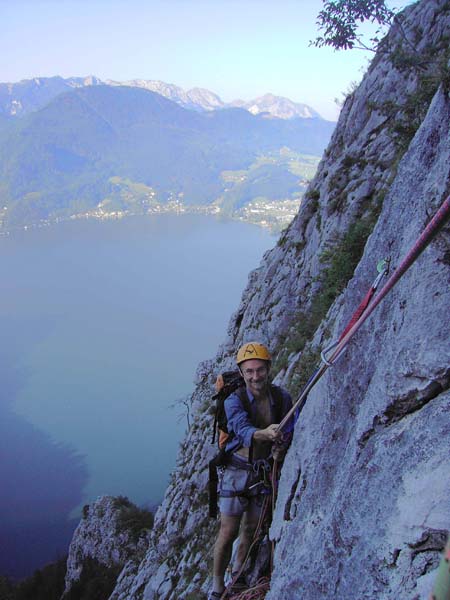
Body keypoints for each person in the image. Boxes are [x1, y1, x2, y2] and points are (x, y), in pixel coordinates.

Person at [209, 342, 295, 600]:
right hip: (237, 470)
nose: (255, 376)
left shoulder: (282, 398)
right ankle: (216, 585)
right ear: (242, 373)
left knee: (250, 530)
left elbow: (292, 425)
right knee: (227, 531)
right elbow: (240, 427)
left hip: (262, 471)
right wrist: (264, 434)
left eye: (259, 370)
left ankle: (236, 575)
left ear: (268, 369)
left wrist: (282, 443)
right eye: (249, 372)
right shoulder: (234, 401)